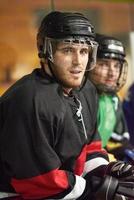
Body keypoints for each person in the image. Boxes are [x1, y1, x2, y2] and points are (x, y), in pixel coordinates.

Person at [0, 11, 134, 200]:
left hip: (62, 190)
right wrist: (94, 189)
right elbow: (37, 181)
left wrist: (105, 171)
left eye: (84, 51)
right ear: (46, 51)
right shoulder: (29, 100)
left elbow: (90, 148)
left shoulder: (86, 89)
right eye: (68, 50)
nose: (78, 62)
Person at [89, 33, 134, 162]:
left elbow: (117, 142)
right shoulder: (78, 98)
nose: (112, 73)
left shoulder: (113, 100)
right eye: (103, 64)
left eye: (117, 66)